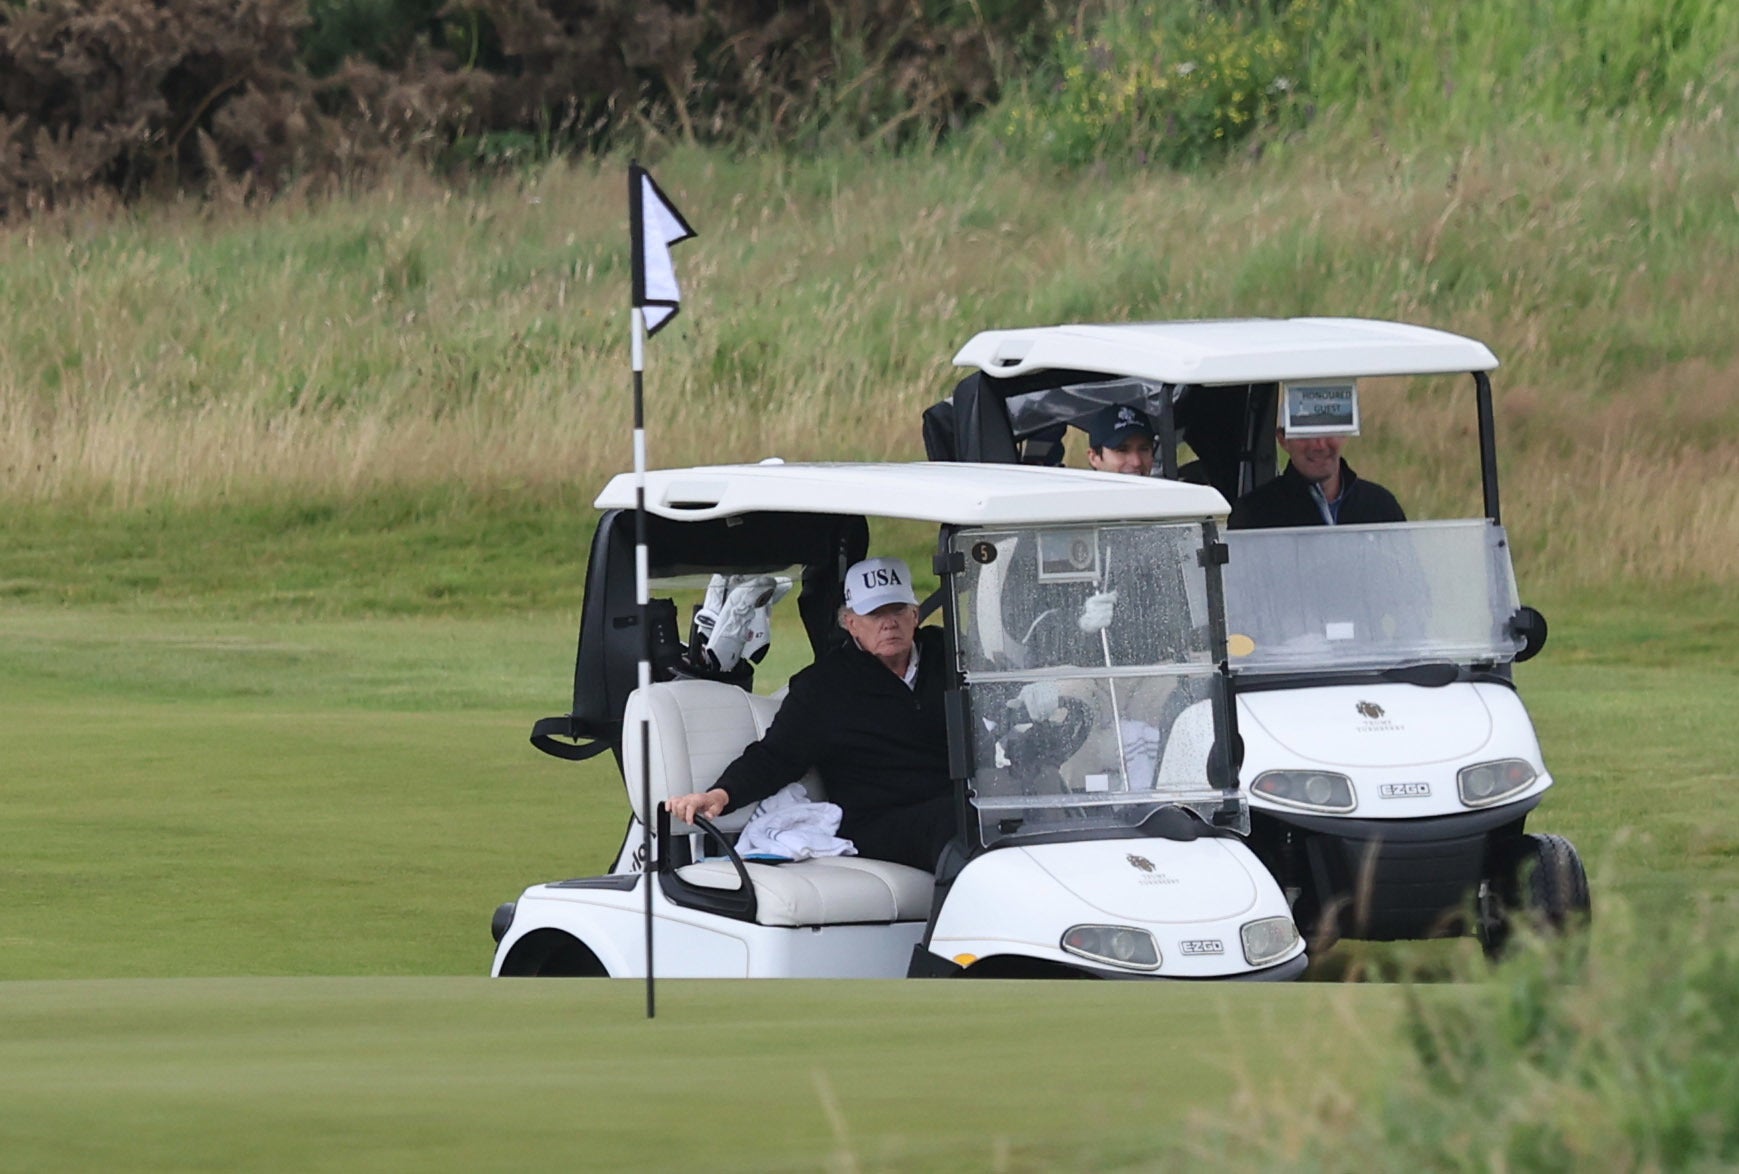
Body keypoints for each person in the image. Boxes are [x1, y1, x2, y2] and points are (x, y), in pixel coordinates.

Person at [665, 556, 954, 873]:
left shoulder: (952, 657)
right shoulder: (824, 687)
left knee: (989, 817)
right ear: (852, 624)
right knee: (959, 823)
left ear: (914, 615)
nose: (889, 623)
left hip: (959, 803)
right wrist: (722, 794)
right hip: (880, 821)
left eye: (897, 610)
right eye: (874, 613)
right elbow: (776, 756)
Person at [1228, 427, 1405, 529]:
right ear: (1283, 440)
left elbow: (1410, 582)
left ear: (1344, 433)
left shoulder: (1381, 506)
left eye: (1328, 431)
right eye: (1304, 434)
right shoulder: (1254, 512)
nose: (1319, 445)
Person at [1084, 403, 1157, 477]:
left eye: (1144, 449)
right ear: (1093, 458)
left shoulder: (1165, 487)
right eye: (1122, 450)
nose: (1137, 462)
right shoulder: (1076, 487)